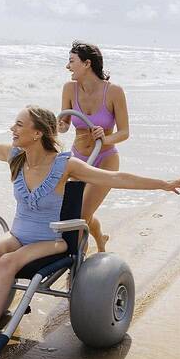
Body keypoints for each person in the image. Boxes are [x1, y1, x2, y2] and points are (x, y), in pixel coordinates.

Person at [0, 105, 180, 359]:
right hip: (18, 235)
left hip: (52, 240)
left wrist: (162, 184)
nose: (11, 129)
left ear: (37, 133)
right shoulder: (15, 156)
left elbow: (115, 177)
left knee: (6, 263)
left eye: (18, 125)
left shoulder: (64, 164)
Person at [58, 41, 128, 252]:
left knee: (81, 216)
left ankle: (77, 267)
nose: (67, 66)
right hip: (78, 158)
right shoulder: (69, 88)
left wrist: (105, 139)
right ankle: (100, 239)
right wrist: (59, 124)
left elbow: (124, 132)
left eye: (71, 61)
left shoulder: (114, 91)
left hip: (105, 159)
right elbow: (64, 126)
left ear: (87, 63)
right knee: (73, 213)